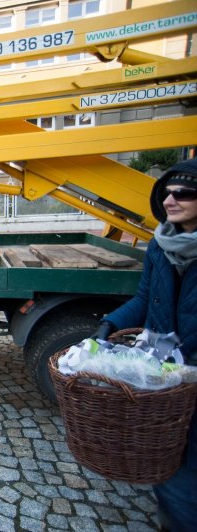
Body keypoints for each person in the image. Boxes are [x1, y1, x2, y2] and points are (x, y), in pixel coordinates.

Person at [94, 157, 197, 532]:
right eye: (168, 192)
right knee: (166, 458)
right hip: (165, 374)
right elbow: (144, 298)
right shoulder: (160, 244)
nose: (171, 200)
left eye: (184, 192)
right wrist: (107, 325)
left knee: (187, 474)